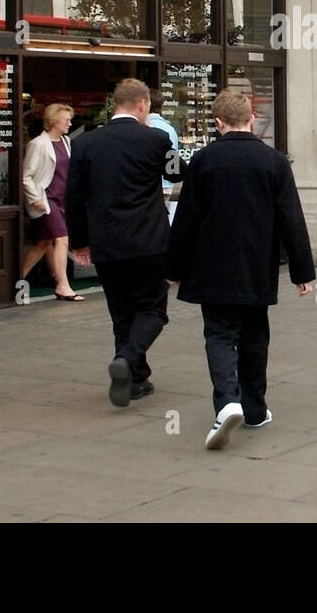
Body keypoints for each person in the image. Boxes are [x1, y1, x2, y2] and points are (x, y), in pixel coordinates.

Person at [166, 89, 315, 449]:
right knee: (254, 335)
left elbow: (185, 220)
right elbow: (290, 219)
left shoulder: (202, 161)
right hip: (255, 266)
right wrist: (302, 272)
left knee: (218, 335)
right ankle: (254, 407)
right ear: (251, 118)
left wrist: (172, 267)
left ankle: (227, 402)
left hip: (212, 267)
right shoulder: (274, 161)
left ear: (218, 123)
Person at [66, 78, 185, 407]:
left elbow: (73, 198)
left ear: (114, 103)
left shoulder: (87, 144)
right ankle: (127, 358)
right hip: (149, 241)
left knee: (121, 313)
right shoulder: (156, 139)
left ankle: (135, 378)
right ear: (143, 104)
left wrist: (79, 242)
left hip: (107, 243)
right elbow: (178, 174)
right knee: (152, 310)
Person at [19, 103, 82, 301]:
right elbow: (26, 175)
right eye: (66, 120)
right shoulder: (38, 144)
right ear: (54, 121)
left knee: (43, 244)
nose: (70, 124)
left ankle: (17, 277)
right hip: (47, 200)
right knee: (62, 239)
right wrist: (35, 198)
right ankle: (63, 285)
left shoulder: (65, 142)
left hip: (63, 199)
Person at [147, 88, 181, 222]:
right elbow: (173, 163)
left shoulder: (144, 126)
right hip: (166, 184)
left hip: (149, 184)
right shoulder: (170, 128)